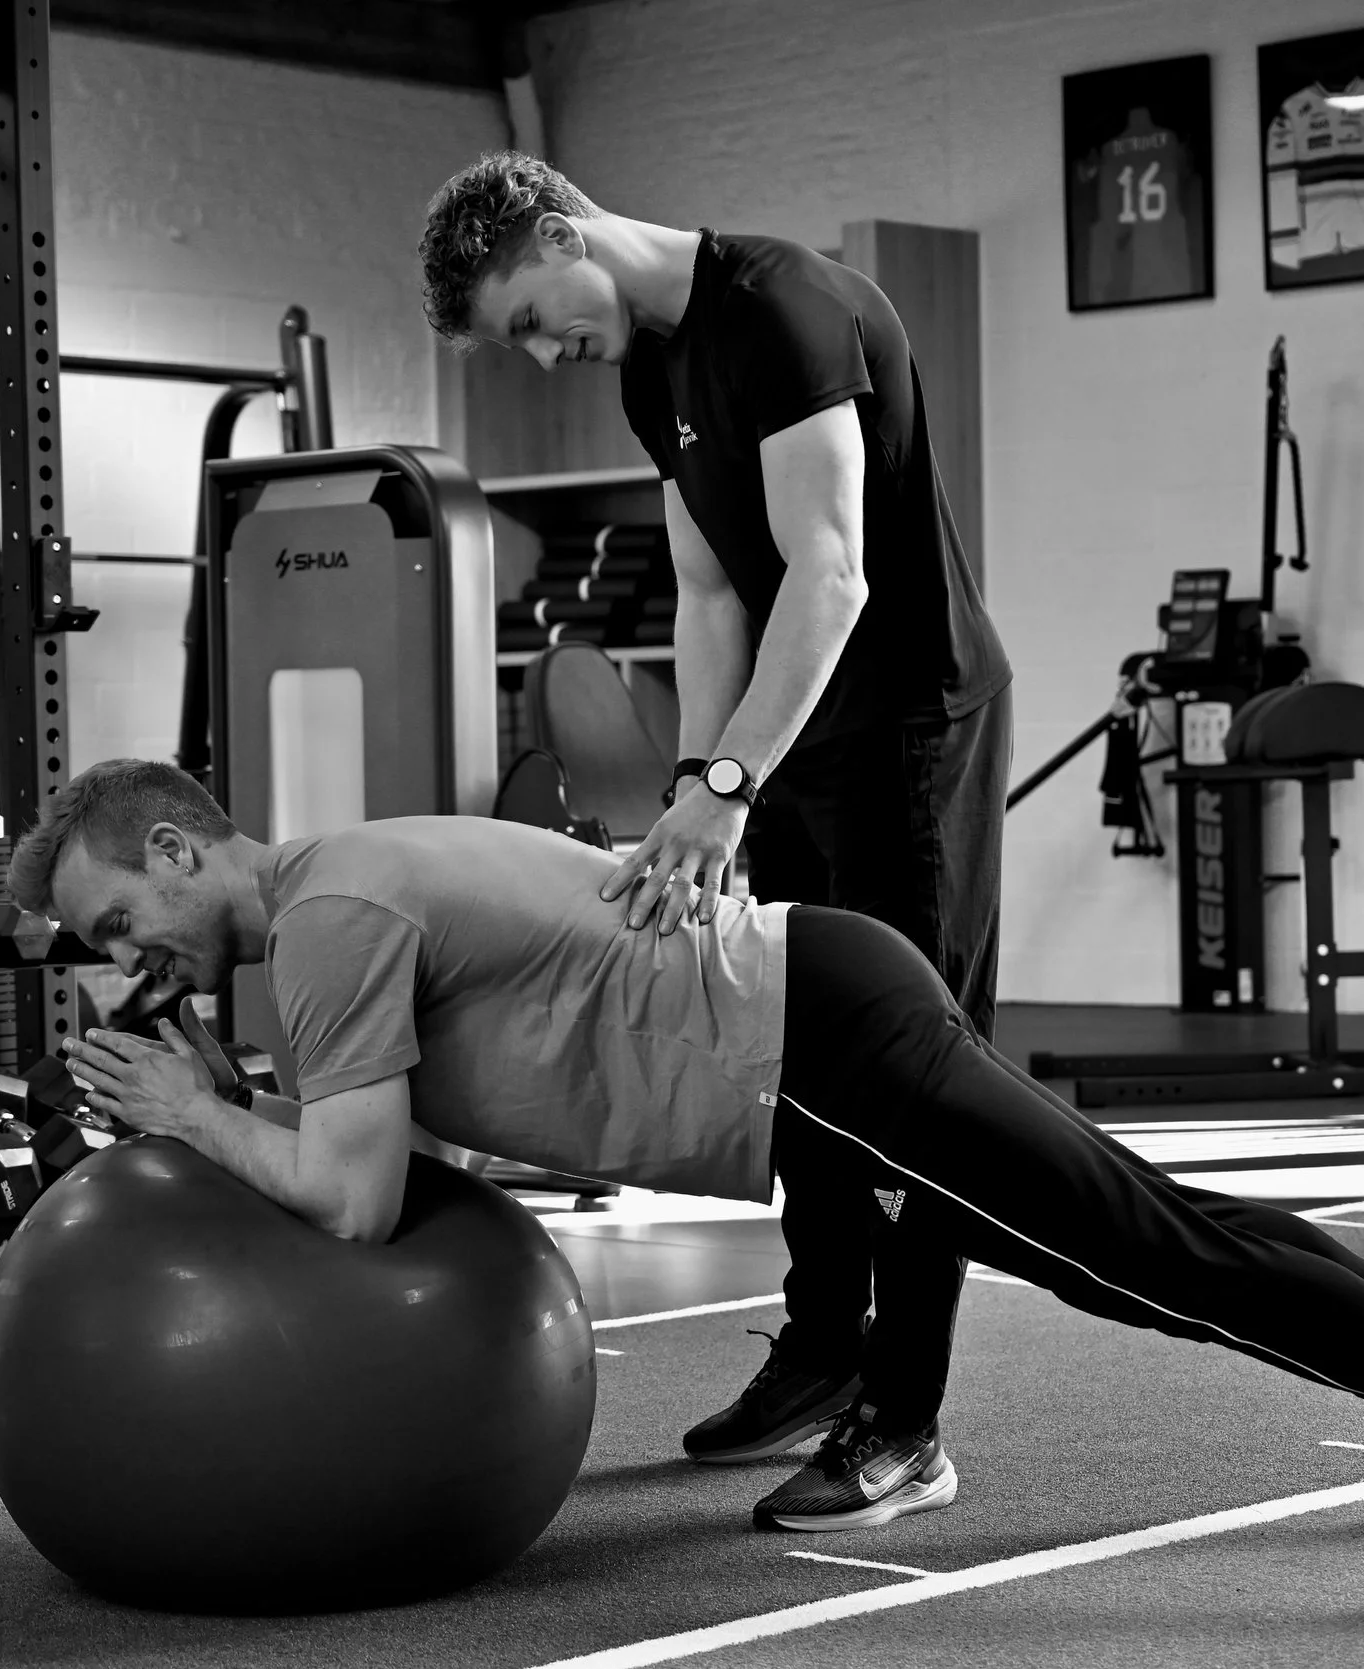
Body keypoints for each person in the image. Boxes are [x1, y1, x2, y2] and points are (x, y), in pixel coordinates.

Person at [18, 760, 1364, 1613]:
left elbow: (358, 1205)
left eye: (116, 925)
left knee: (1155, 1260)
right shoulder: (338, 892)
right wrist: (231, 1102)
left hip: (818, 1050)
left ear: (176, 849)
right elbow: (382, 1148)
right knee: (1162, 1238)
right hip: (824, 1017)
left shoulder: (328, 923)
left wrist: (193, 1113)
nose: (124, 964)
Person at [417, 153, 1012, 1499]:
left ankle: (905, 1417)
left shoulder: (786, 312)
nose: (544, 353)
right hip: (783, 740)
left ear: (561, 231)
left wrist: (728, 786)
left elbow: (831, 575)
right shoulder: (652, 366)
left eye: (531, 318)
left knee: (917, 1074)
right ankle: (824, 1349)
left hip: (909, 731)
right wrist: (703, 780)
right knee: (790, 1039)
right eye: (519, 344)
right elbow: (706, 592)